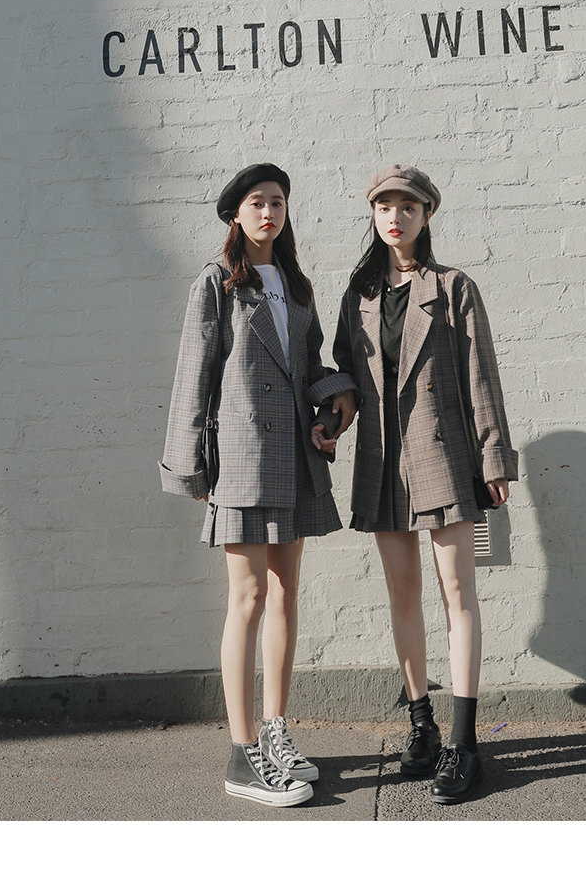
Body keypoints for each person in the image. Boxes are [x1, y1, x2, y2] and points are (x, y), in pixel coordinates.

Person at [314, 164, 518, 804]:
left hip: (444, 456)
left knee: (458, 594)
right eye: (384, 207)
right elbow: (347, 376)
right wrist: (330, 419)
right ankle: (422, 726)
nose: (395, 217)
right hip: (382, 462)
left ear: (427, 215)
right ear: (373, 216)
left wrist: (493, 459)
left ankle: (464, 743)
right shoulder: (360, 294)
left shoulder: (454, 288)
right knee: (403, 595)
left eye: (408, 207)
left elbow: (481, 375)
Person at [159, 164, 356, 807]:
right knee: (245, 599)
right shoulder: (216, 284)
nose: (269, 212)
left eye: (277, 202)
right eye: (256, 203)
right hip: (242, 458)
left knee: (285, 593)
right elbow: (194, 374)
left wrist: (338, 397)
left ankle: (275, 731)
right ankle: (242, 754)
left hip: (293, 455)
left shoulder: (295, 285)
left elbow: (310, 364)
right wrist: (191, 465)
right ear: (235, 215)